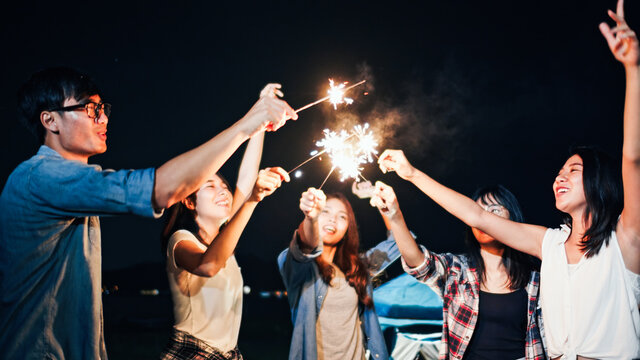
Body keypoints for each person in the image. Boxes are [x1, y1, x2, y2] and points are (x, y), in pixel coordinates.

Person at [375, 2, 640, 357]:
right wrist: (411, 174)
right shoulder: (550, 246)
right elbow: (476, 216)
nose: (559, 178)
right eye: (558, 173)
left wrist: (633, 70)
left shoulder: (625, 239)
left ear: (599, 183)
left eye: (573, 171)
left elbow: (632, 158)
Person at [0, 68, 297, 360]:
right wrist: (247, 124)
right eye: (90, 109)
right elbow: (162, 189)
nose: (103, 118)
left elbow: (240, 191)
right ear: (50, 120)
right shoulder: (42, 178)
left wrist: (256, 129)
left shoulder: (68, 184)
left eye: (103, 108)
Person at [370, 182, 545, 359]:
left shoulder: (535, 278)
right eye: (477, 211)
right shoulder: (457, 270)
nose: (484, 218)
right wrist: (395, 215)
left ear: (512, 218)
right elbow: (419, 263)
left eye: (494, 210)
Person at [160, 156, 289, 359]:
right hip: (193, 354)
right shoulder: (180, 240)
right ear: (189, 201)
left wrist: (261, 126)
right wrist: (253, 199)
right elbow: (207, 266)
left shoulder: (225, 246)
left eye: (224, 186)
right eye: (210, 186)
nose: (223, 191)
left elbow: (247, 178)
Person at [277, 187, 390, 360]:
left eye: (342, 216)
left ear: (347, 229)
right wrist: (310, 217)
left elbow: (401, 242)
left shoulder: (359, 267)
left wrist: (383, 202)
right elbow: (304, 249)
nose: (333, 219)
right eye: (325, 212)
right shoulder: (298, 266)